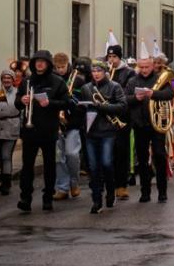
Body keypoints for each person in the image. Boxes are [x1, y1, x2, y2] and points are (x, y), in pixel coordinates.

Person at [15, 49, 69, 213]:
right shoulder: (27, 81)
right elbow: (17, 102)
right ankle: (25, 198)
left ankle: (48, 197)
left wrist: (50, 103)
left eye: (43, 61)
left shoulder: (57, 81)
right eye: (37, 61)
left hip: (48, 129)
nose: (39, 64)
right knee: (27, 166)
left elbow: (66, 102)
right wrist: (22, 100)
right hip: (30, 130)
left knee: (49, 165)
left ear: (48, 64)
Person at [125, 52, 174, 203]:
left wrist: (153, 93)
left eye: (147, 67)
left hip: (157, 123)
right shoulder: (132, 81)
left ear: (152, 66)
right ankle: (145, 192)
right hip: (139, 125)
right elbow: (125, 99)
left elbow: (170, 93)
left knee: (159, 156)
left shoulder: (160, 78)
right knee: (142, 159)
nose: (144, 70)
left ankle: (162, 191)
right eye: (141, 67)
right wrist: (135, 98)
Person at [79, 59, 127, 213]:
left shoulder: (114, 86)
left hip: (108, 130)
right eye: (93, 71)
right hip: (91, 131)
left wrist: (102, 106)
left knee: (106, 162)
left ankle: (111, 190)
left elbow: (122, 106)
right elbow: (81, 108)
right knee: (93, 167)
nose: (96, 74)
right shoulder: (86, 88)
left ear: (105, 72)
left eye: (99, 71)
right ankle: (96, 199)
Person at [52, 52, 84, 201]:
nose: (60, 70)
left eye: (62, 67)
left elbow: (82, 102)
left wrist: (72, 101)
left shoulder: (77, 80)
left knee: (72, 154)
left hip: (73, 123)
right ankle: (62, 188)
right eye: (57, 67)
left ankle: (74, 182)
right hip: (56, 123)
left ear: (68, 65)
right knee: (59, 157)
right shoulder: (52, 79)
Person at [106, 43, 135, 199]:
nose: (112, 60)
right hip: (106, 118)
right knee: (107, 153)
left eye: (114, 57)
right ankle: (109, 185)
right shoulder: (103, 71)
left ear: (120, 57)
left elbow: (126, 93)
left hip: (122, 117)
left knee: (121, 152)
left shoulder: (129, 73)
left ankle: (121, 185)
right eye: (109, 57)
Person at [0, 68, 20, 196]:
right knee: (0, 156)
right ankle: (3, 180)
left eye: (9, 78)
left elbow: (18, 109)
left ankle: (7, 184)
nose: (6, 80)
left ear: (13, 80)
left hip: (11, 126)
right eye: (4, 78)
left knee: (6, 155)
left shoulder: (18, 93)